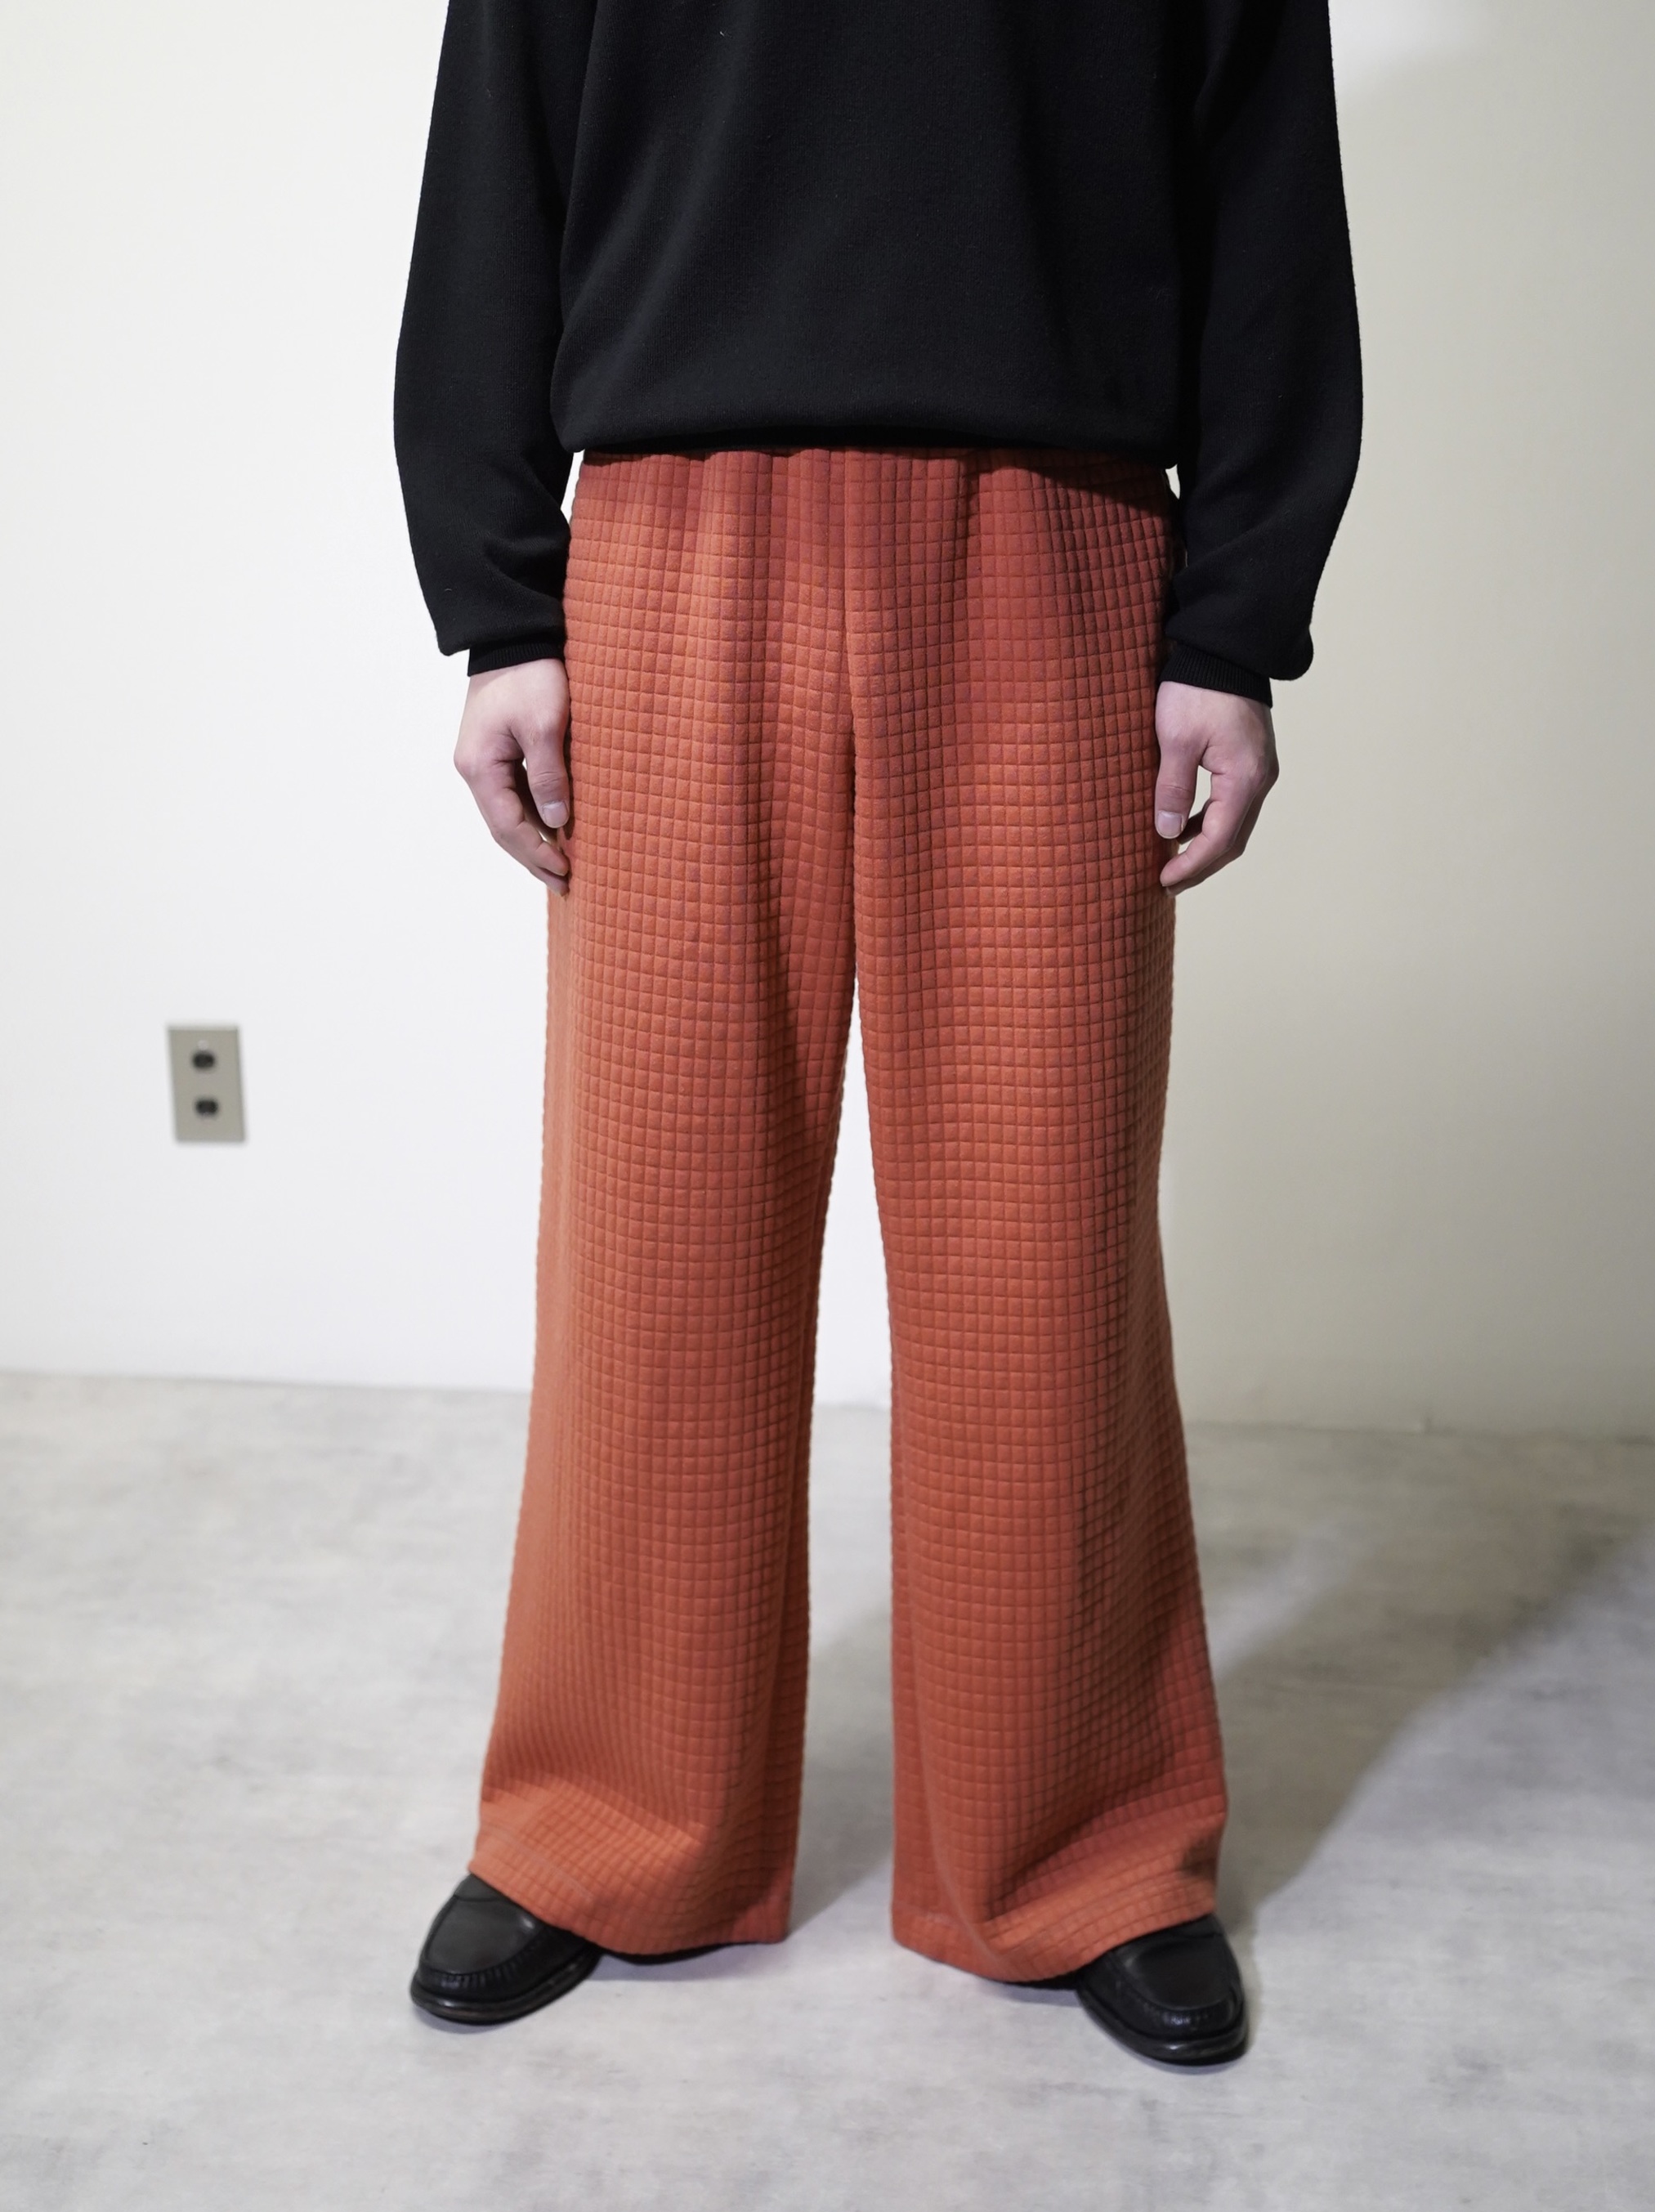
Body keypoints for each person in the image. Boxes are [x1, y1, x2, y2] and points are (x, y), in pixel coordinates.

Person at [393, 0, 1360, 2067]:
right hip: (671, 538)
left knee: (1042, 1247)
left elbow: (1268, 209)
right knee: (659, 1233)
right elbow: (497, 173)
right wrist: (502, 601)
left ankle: (1077, 1844)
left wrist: (1235, 623)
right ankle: (608, 1822)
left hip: (1061, 537)